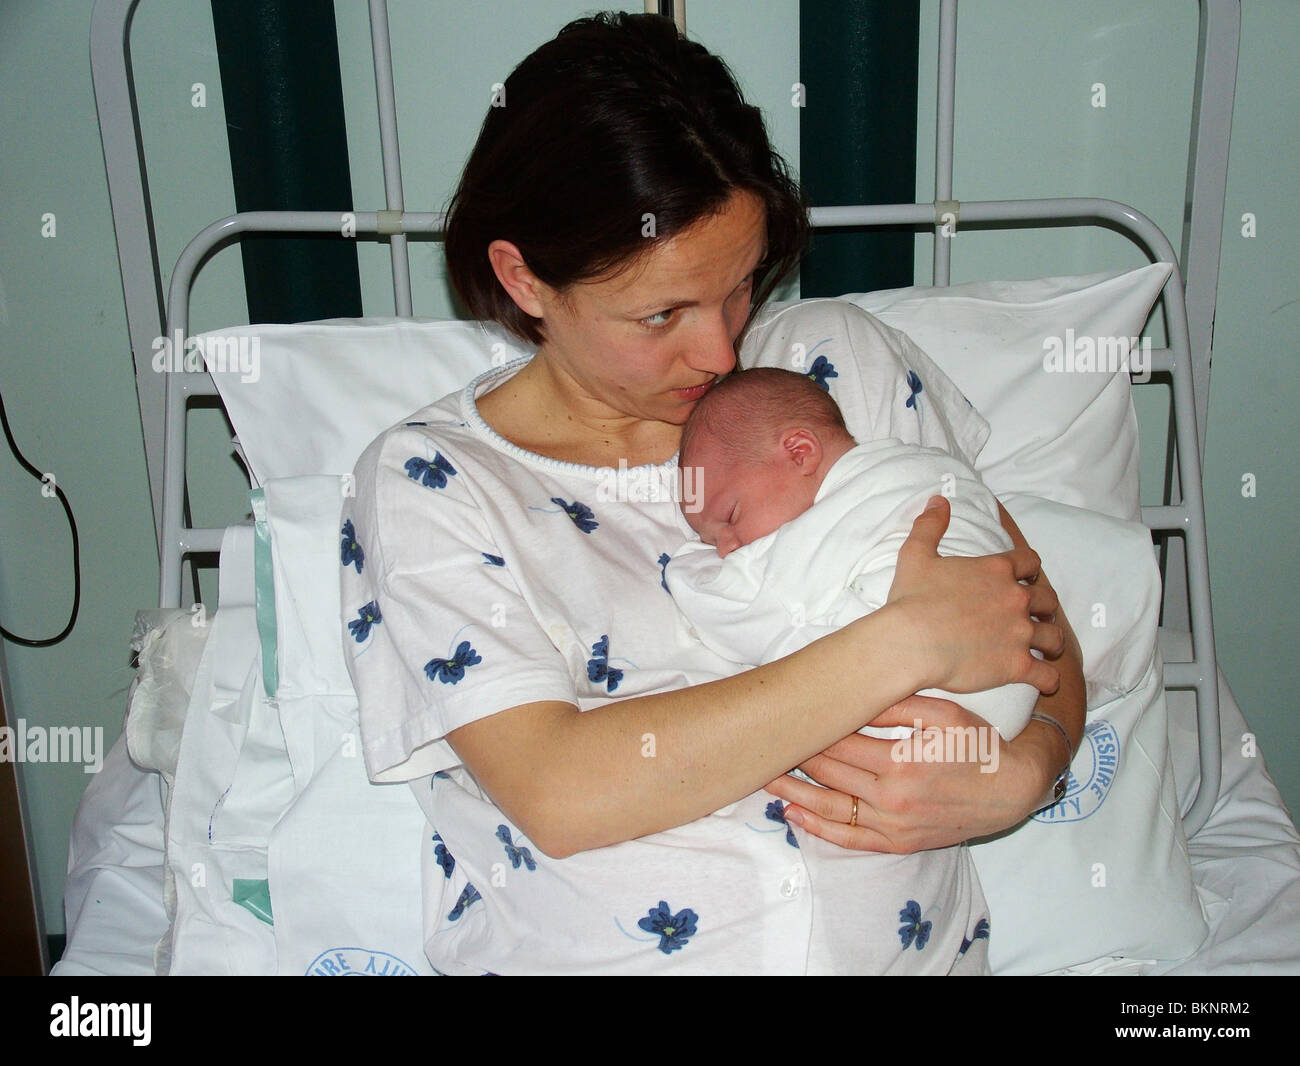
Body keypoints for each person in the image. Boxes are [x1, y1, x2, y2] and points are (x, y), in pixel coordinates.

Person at [340, 11, 1083, 974]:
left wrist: (1022, 773)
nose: (722, 352)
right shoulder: (436, 484)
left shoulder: (835, 373)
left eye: (740, 286)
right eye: (662, 314)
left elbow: (1044, 636)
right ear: (524, 279)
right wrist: (904, 642)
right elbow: (559, 793)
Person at [667, 365, 1038, 742]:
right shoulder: (933, 468)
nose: (728, 550)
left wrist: (685, 569)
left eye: (730, 516)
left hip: (926, 700)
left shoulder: (827, 523)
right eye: (711, 544)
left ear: (800, 452)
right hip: (1017, 679)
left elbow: (744, 612)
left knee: (786, 671)